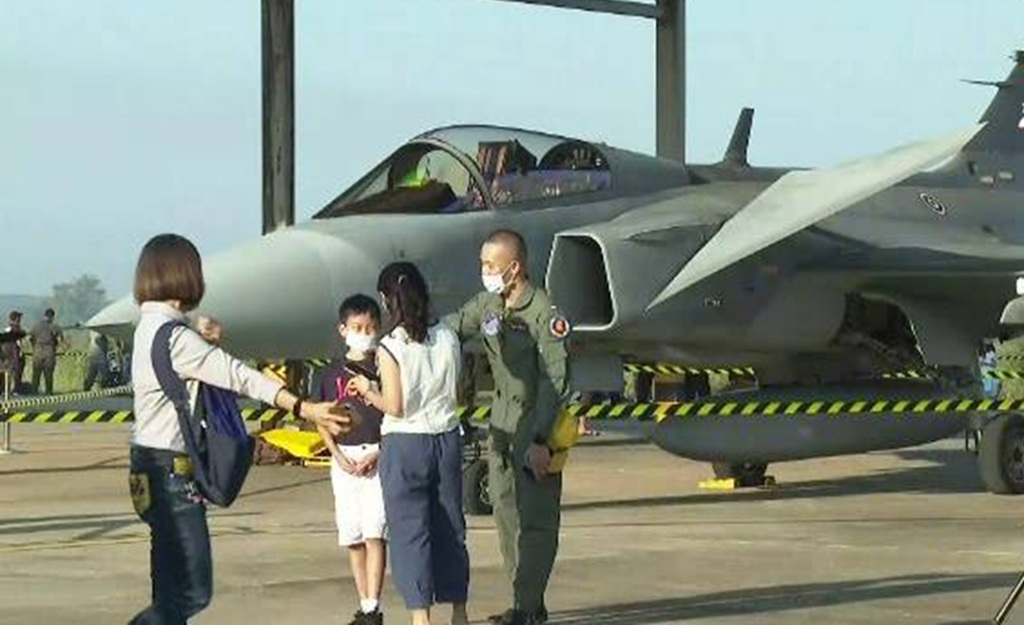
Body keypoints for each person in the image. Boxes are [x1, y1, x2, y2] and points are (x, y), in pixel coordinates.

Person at [127, 233, 350, 625]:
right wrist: (304, 406)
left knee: (168, 588)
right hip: (172, 474)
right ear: (185, 275)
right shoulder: (177, 338)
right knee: (192, 591)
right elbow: (239, 376)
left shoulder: (149, 328)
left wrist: (200, 335)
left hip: (145, 467)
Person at [444, 230, 571, 625]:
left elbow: (558, 382)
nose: (484, 272)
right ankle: (525, 602)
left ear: (514, 268)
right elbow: (452, 327)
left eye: (490, 266)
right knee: (505, 515)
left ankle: (528, 607)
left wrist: (541, 440)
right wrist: (409, 336)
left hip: (534, 424)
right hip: (500, 427)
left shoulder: (544, 314)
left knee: (536, 521)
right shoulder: (488, 304)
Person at [347, 262, 470, 625]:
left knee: (409, 531)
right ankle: (459, 612)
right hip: (446, 438)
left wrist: (369, 391)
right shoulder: (448, 334)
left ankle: (421, 618)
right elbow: (459, 390)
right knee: (451, 526)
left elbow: (396, 406)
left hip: (405, 443)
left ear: (387, 300)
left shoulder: (391, 345)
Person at [313, 294, 388, 625]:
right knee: (353, 536)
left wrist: (380, 452)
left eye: (370, 327)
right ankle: (363, 603)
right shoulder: (329, 374)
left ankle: (373, 607)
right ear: (343, 329)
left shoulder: (386, 367)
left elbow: (397, 412)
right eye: (357, 327)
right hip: (344, 461)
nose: (364, 332)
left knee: (376, 533)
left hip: (378, 456)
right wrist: (336, 453)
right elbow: (320, 418)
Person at [29, 307, 64, 395]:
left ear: (44, 315)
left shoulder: (36, 326)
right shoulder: (55, 327)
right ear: (52, 316)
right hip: (49, 352)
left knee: (36, 374)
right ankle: (48, 392)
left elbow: (30, 338)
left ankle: (34, 392)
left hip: (37, 351)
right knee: (48, 374)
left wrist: (34, 348)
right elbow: (60, 340)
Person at [1, 311, 26, 394]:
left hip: (11, 355)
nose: (20, 321)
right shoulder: (13, 330)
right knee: (13, 373)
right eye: (19, 319)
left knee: (12, 373)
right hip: (13, 355)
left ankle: (9, 389)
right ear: (16, 319)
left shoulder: (10, 330)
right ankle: (11, 390)